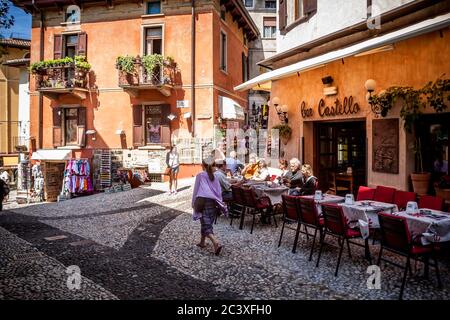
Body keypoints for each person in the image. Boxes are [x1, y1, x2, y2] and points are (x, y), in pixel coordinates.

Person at [192, 158, 227, 255]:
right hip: (213, 202)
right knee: (207, 222)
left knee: (205, 222)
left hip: (202, 201)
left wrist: (193, 202)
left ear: (202, 165)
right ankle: (202, 242)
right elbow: (218, 190)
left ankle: (215, 242)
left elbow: (196, 189)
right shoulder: (215, 176)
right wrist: (220, 202)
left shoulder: (200, 175)